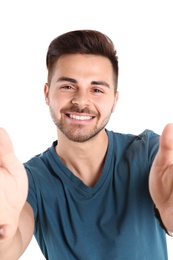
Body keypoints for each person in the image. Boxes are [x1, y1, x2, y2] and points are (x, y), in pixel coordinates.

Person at [0, 29, 173, 260]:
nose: (81, 101)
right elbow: (13, 240)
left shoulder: (149, 154)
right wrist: (4, 231)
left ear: (114, 101)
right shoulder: (29, 181)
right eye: (68, 86)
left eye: (97, 89)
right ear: (47, 93)